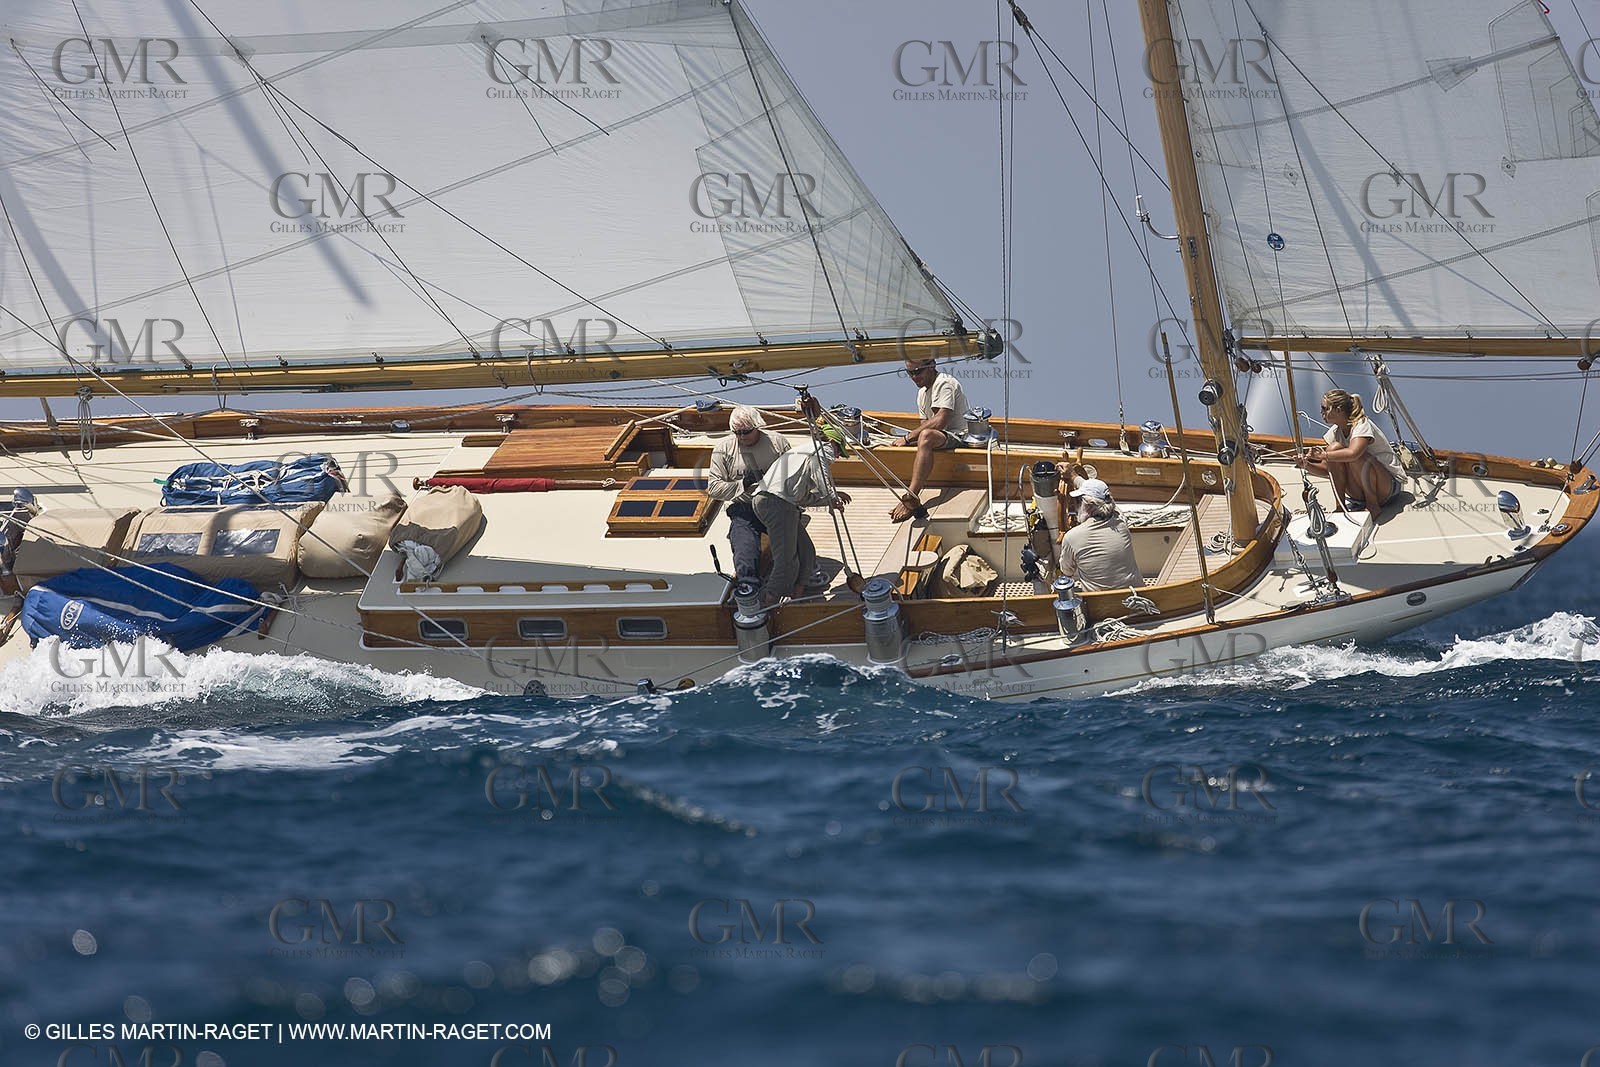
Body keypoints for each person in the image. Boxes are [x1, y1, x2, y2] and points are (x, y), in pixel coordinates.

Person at [751, 425, 852, 607]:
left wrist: (830, 500)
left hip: (775, 502)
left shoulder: (802, 453)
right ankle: (767, 605)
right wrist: (832, 497)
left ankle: (797, 598)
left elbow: (801, 498)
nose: (836, 457)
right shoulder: (819, 450)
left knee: (807, 552)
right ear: (831, 442)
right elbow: (822, 478)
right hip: (776, 504)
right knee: (787, 562)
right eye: (838, 450)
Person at [708, 405, 791, 581]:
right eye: (737, 433)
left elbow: (795, 475)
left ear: (757, 426)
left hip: (777, 504)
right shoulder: (723, 449)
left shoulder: (777, 442)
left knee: (790, 550)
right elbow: (714, 488)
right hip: (745, 509)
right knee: (744, 551)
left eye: (746, 432)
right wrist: (743, 483)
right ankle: (748, 588)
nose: (741, 437)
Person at [1296, 388, 1404, 520]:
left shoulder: (1361, 424)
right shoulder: (1335, 433)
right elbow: (1328, 470)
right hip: (1360, 494)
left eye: (1324, 408)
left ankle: (1373, 506)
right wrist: (1306, 465)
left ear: (1339, 410)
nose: (1321, 412)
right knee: (1333, 449)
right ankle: (1340, 506)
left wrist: (1323, 455)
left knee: (1353, 455)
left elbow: (1354, 454)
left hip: (1388, 488)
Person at [890, 358, 970, 523]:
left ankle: (910, 496)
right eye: (910, 373)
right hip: (940, 438)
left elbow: (940, 421)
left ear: (932, 365)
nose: (914, 377)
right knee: (923, 437)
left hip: (959, 436)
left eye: (918, 371)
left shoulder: (944, 383)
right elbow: (925, 425)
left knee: (925, 436)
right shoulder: (922, 393)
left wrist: (907, 438)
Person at [1056, 478, 1144, 592]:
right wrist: (1074, 477)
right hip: (1137, 598)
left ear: (1089, 505)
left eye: (1078, 500)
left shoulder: (1072, 537)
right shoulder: (1121, 522)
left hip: (1099, 606)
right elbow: (1110, 503)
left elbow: (1067, 572)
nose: (1075, 505)